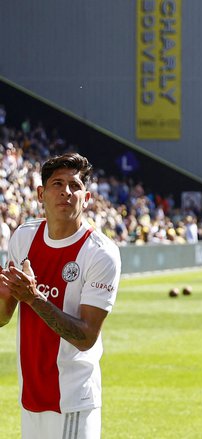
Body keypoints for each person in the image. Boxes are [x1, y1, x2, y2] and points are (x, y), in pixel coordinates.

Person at [0, 152, 121, 439]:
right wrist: (5, 296)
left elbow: (87, 336)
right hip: (31, 395)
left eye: (75, 185)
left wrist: (34, 298)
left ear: (87, 198)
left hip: (72, 400)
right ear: (41, 193)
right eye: (57, 184)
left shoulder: (101, 253)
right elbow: (3, 317)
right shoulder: (23, 238)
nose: (66, 191)